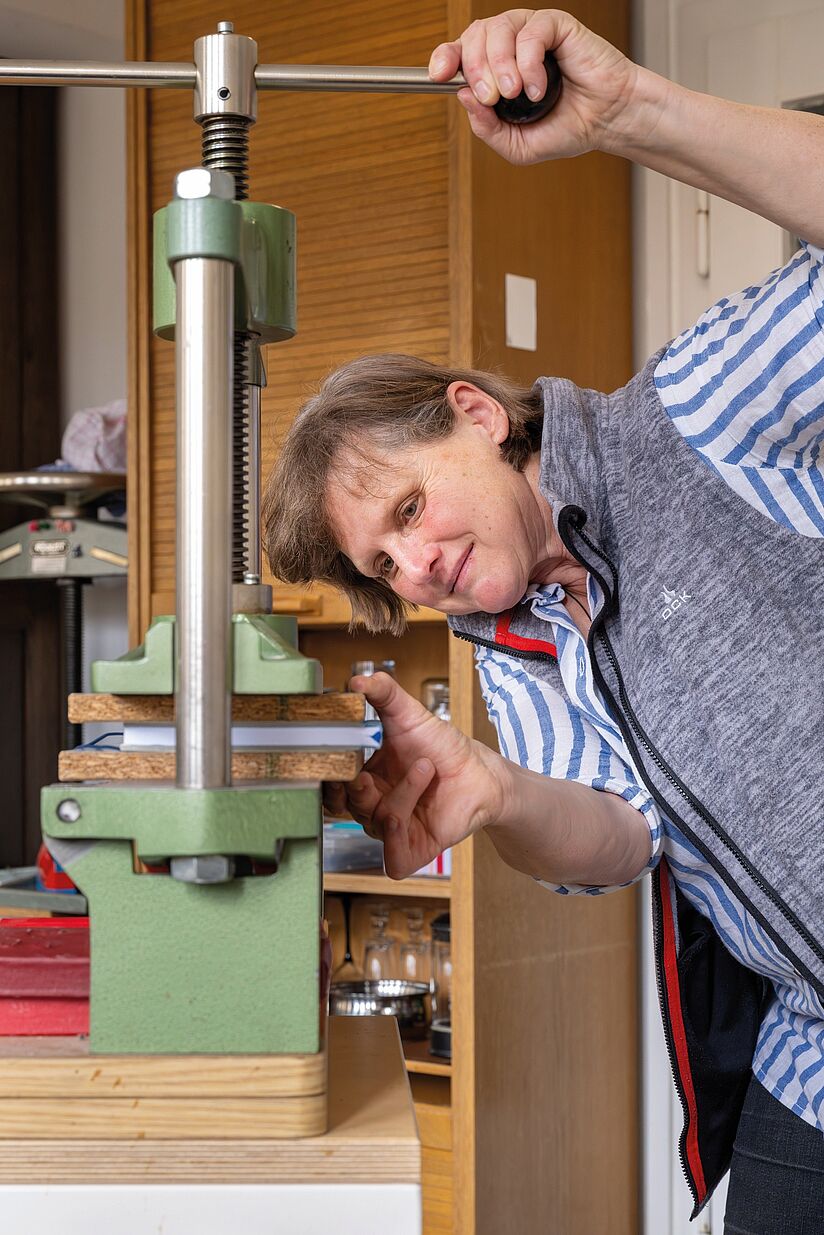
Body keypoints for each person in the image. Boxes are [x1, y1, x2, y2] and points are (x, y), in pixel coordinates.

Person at [262, 11, 824, 1232]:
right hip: (809, 1058)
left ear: (475, 413)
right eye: (385, 560)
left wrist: (626, 115)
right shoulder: (508, 643)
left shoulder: (690, 415)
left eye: (409, 506)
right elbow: (622, 837)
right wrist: (495, 793)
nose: (418, 561)